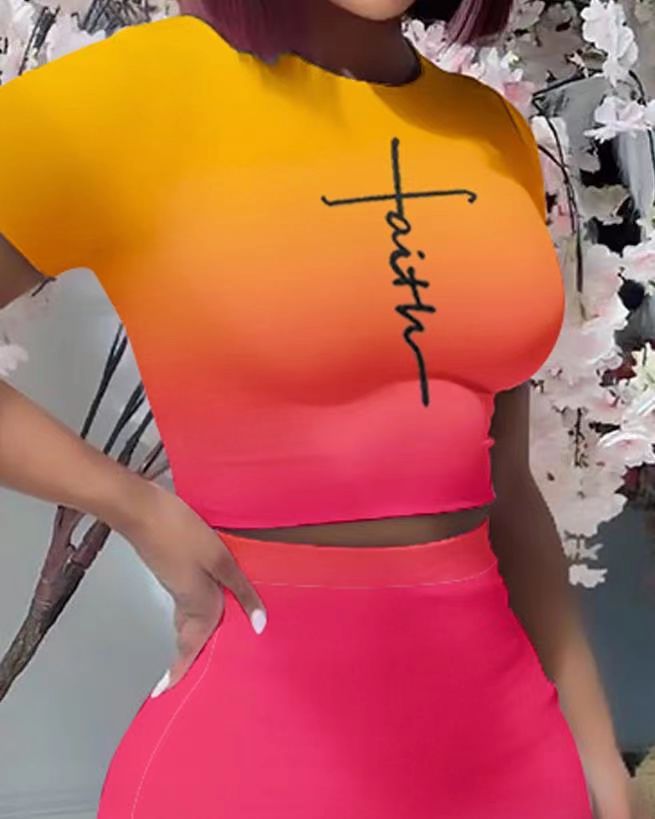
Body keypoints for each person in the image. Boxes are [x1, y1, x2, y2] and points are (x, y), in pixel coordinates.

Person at [0, 1, 640, 816]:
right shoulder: (124, 96)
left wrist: (597, 758)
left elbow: (506, 490)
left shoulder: (490, 130)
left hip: (513, 749)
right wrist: (132, 505)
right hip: (253, 755)